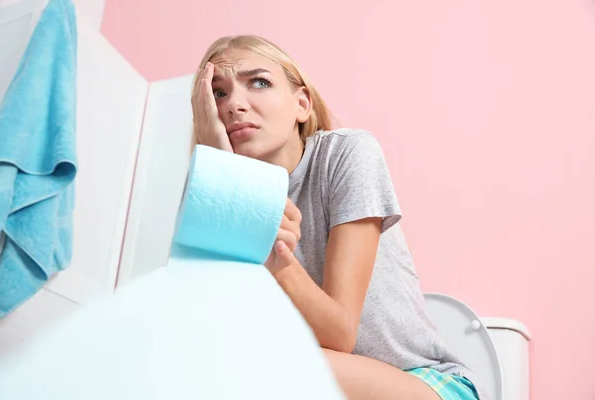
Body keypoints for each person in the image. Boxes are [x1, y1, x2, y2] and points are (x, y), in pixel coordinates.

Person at [191, 35, 484, 400]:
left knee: (259, 364)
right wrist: (222, 171)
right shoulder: (220, 202)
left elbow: (339, 334)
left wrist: (269, 247)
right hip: (313, 386)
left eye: (259, 82)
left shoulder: (347, 154)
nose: (234, 104)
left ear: (301, 104)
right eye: (217, 93)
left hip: (426, 384)